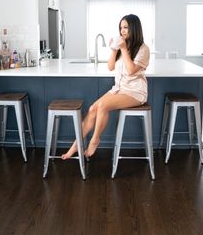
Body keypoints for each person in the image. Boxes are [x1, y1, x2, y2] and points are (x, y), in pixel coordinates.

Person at [61, 13, 150, 159]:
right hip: (119, 89)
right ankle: (76, 146)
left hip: (135, 92)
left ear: (134, 28)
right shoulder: (123, 45)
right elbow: (110, 67)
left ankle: (95, 140)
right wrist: (115, 49)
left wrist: (122, 49)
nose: (122, 31)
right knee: (92, 109)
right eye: (121, 27)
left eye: (126, 27)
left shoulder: (143, 49)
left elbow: (132, 70)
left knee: (102, 106)